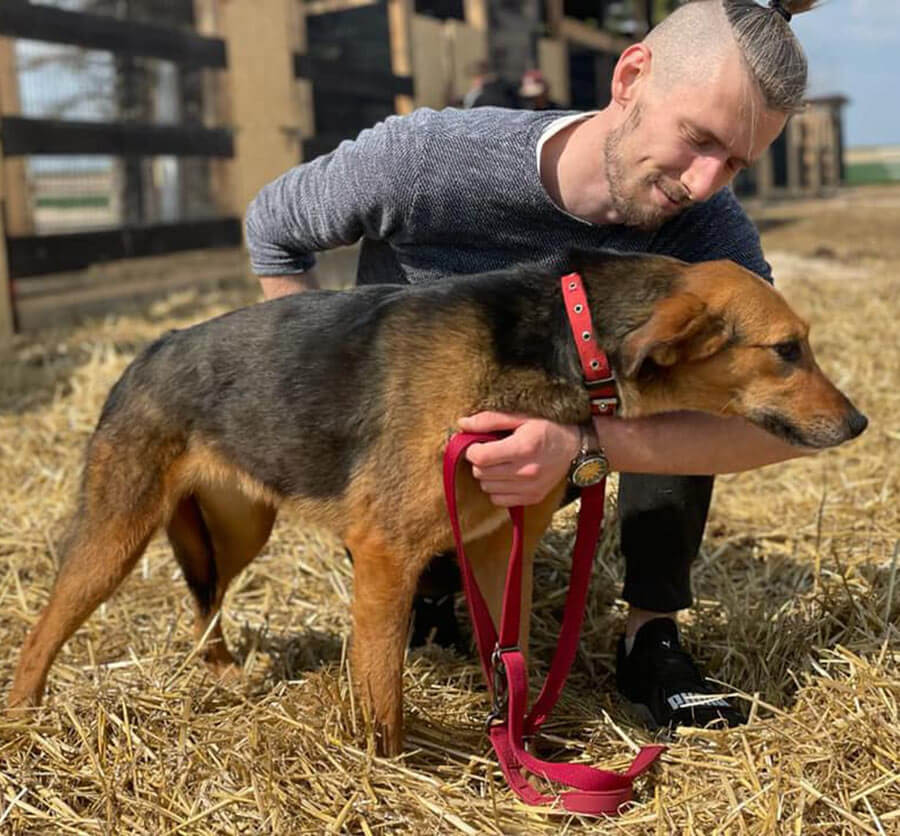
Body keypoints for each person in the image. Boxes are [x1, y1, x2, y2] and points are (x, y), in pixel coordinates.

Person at [245, 0, 819, 730]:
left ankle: (652, 632)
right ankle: (431, 587)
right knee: (413, 556)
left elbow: (778, 419)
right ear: (632, 75)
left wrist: (583, 447)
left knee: (696, 365)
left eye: (734, 162)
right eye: (698, 139)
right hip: (418, 462)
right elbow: (273, 229)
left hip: (566, 459)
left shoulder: (707, 231)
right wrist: (323, 417)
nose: (703, 183)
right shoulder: (428, 160)